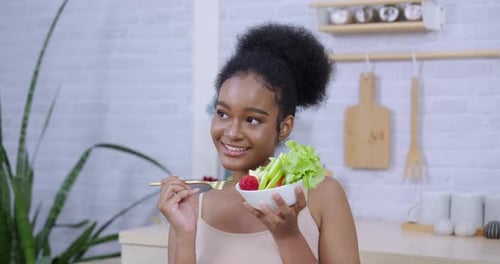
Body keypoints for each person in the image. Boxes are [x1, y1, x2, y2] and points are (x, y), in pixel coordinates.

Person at [157, 22, 360, 264]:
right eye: (222, 113)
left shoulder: (324, 196)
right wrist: (186, 235)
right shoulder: (192, 209)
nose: (232, 132)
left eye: (251, 119)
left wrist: (288, 236)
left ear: (284, 126)